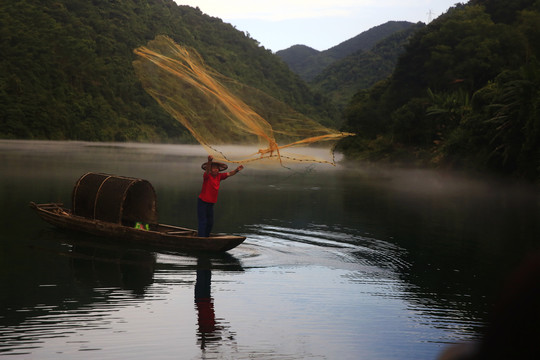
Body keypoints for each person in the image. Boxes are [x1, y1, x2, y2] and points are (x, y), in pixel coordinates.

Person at [197, 155, 243, 237]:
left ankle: (206, 237)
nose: (216, 169)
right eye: (214, 168)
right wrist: (209, 161)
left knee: (210, 222)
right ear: (211, 169)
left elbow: (229, 173)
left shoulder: (219, 176)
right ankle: (201, 238)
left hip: (211, 203)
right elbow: (207, 171)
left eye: (217, 168)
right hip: (202, 202)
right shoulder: (207, 176)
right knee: (203, 221)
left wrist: (237, 170)